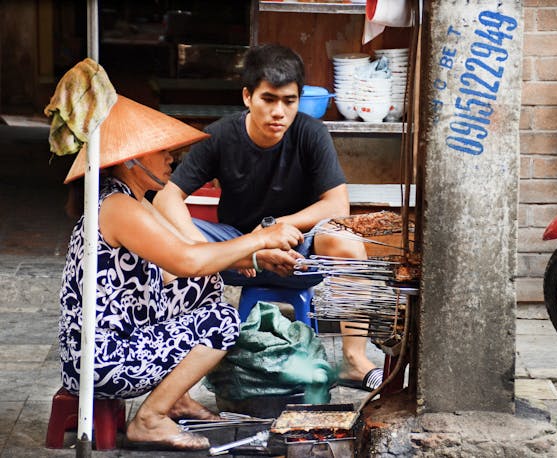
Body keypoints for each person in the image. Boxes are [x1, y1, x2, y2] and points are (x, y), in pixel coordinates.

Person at [58, 95, 304, 451]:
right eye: (161, 151)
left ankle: (176, 399)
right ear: (131, 159)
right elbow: (187, 260)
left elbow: (194, 258)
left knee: (205, 286)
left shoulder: (133, 199)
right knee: (222, 321)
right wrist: (261, 237)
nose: (171, 158)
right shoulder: (116, 206)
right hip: (99, 360)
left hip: (116, 341)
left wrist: (256, 258)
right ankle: (149, 419)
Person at [152, 43, 383, 391]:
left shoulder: (311, 133)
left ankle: (355, 360)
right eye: (268, 99)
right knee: (161, 236)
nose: (279, 112)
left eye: (289, 101)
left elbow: (337, 206)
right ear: (247, 96)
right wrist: (212, 248)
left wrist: (279, 227)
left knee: (346, 241)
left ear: (299, 100)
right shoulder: (220, 135)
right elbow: (166, 196)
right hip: (232, 251)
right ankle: (176, 371)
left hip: (296, 253)